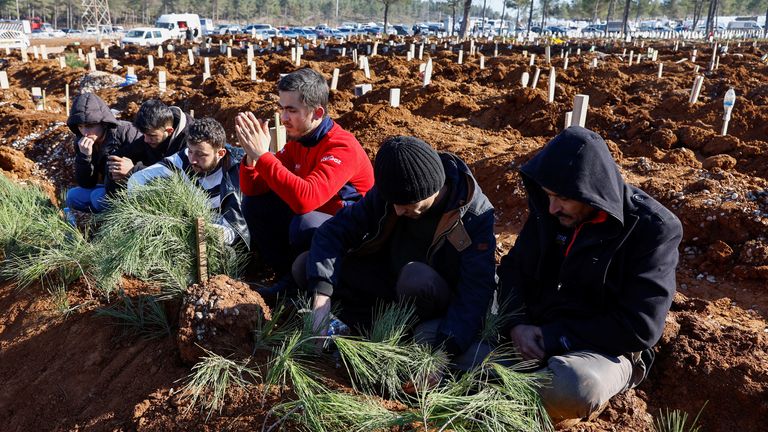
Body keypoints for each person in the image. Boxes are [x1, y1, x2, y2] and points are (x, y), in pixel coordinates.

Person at [496, 126, 683, 424]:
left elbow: (641, 327)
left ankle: (547, 402)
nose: (552, 207)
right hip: (533, 334)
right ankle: (515, 393)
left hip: (601, 350)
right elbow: (513, 270)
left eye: (563, 198)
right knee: (463, 356)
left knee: (573, 386)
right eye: (547, 195)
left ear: (590, 193)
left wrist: (554, 337)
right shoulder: (552, 210)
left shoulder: (652, 229)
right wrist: (517, 324)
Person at [300, 136, 496, 369]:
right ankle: (362, 329)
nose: (397, 210)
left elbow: (476, 291)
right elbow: (333, 232)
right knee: (305, 266)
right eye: (393, 202)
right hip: (389, 285)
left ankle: (397, 339)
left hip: (436, 297)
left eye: (406, 204)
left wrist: (443, 354)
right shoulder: (392, 192)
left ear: (431, 189)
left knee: (414, 278)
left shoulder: (473, 214)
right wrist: (322, 300)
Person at [235, 68, 374, 291]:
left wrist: (264, 156)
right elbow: (253, 188)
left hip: (354, 234)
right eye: (282, 109)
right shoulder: (299, 142)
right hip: (319, 220)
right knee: (256, 205)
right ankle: (285, 276)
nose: (283, 118)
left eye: (291, 110)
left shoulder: (341, 146)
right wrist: (253, 158)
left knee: (302, 222)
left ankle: (307, 285)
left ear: (317, 113)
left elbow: (305, 200)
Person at [127, 117, 249, 246]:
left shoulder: (237, 171)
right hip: (189, 226)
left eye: (201, 155)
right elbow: (137, 180)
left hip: (223, 235)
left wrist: (208, 232)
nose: (193, 160)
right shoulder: (182, 160)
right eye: (190, 151)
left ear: (220, 153)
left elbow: (237, 229)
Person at [65, 92, 143, 212]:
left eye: (90, 126)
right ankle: (93, 219)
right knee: (72, 196)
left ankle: (110, 218)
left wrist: (132, 170)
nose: (85, 132)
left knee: (98, 197)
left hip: (133, 187)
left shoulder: (127, 132)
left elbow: (151, 162)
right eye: (80, 126)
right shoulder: (81, 142)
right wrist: (85, 156)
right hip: (108, 187)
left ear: (103, 122)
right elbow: (86, 183)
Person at [115, 99, 192, 179]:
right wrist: (116, 167)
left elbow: (180, 179)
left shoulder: (190, 143)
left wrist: (133, 170)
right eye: (144, 135)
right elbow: (123, 154)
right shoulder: (152, 132)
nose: (146, 140)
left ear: (169, 131)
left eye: (152, 136)